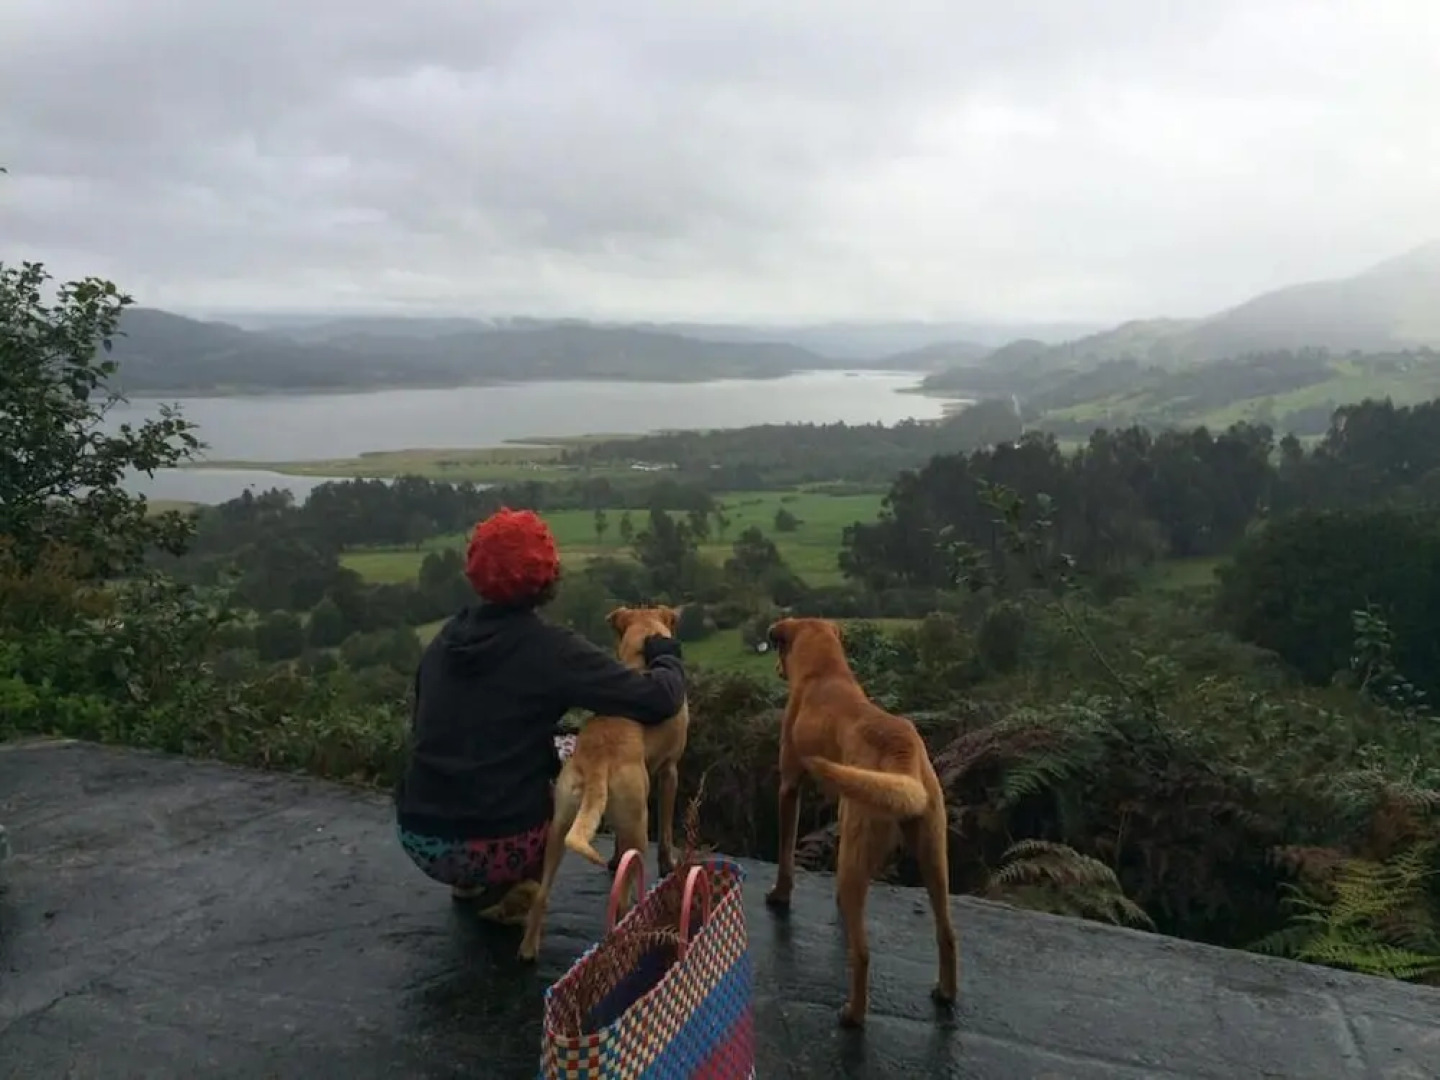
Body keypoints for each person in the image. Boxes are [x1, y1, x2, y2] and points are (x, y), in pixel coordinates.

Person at [394, 507, 686, 914]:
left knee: (547, 743)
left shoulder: (445, 640)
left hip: (419, 836)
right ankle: (515, 888)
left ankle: (471, 886)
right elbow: (658, 699)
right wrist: (665, 654)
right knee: (579, 759)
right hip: (496, 844)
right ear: (547, 576)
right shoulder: (551, 649)